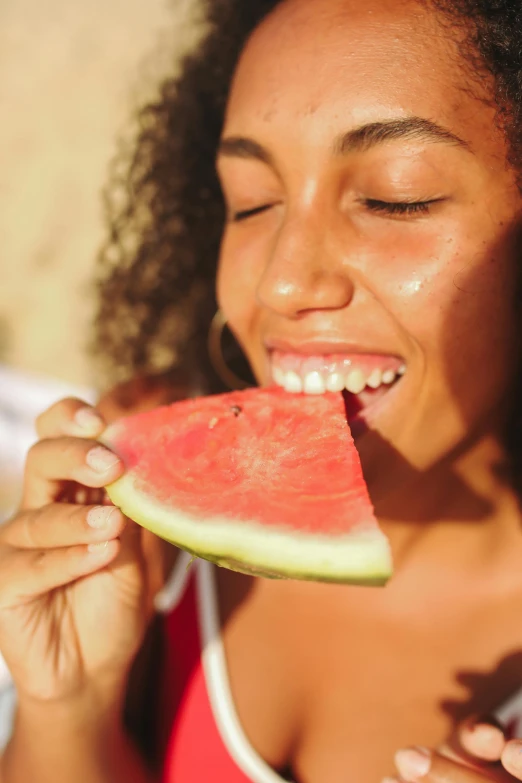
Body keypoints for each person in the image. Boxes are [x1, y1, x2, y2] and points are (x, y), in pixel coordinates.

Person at [3, 0, 522, 780]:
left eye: (395, 195)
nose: (282, 281)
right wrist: (69, 704)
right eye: (251, 202)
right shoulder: (143, 537)